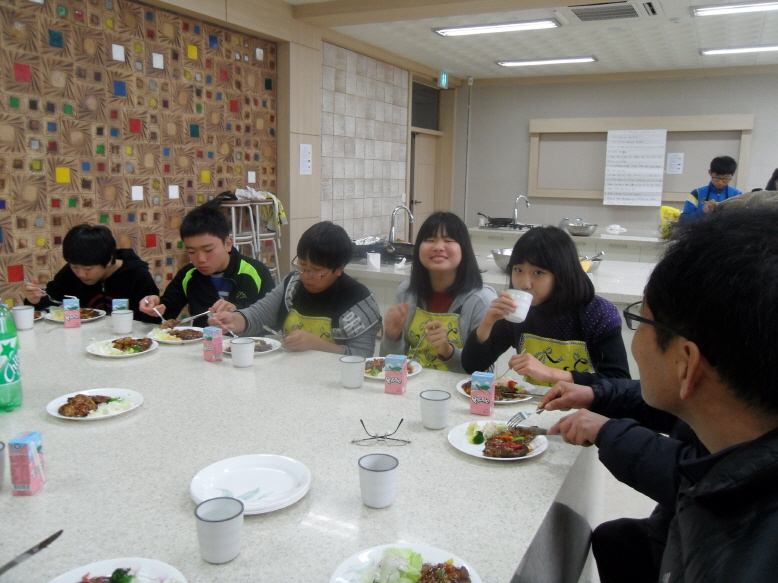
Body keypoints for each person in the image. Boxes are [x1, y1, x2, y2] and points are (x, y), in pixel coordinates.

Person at [548, 208, 778, 581]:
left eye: (641, 321)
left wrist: (608, 429)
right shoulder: (735, 414)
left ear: (686, 363)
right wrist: (596, 394)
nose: (636, 341)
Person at [461, 226, 630, 385]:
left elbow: (620, 381)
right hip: (535, 408)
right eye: (518, 270)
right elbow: (472, 366)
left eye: (538, 272)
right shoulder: (517, 309)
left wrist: (551, 373)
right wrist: (487, 324)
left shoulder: (597, 313)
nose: (524, 284)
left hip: (584, 412)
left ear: (562, 274)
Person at [209, 221, 381, 358]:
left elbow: (361, 357)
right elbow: (259, 315)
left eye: (316, 271)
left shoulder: (359, 301)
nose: (306, 275)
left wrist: (316, 344)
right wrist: (233, 320)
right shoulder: (293, 284)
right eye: (302, 265)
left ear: (339, 269)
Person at [379, 212, 496, 373]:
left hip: (459, 393)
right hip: (410, 387)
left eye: (448, 240)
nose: (438, 247)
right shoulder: (406, 292)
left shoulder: (482, 300)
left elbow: (484, 370)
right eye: (430, 240)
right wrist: (392, 337)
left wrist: (448, 351)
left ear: (464, 249)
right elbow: (390, 365)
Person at [140, 200, 274, 327]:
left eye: (208, 250)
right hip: (204, 346)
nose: (200, 259)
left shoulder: (256, 271)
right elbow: (165, 315)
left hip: (247, 347)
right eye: (191, 251)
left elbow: (272, 317)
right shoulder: (188, 275)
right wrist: (153, 308)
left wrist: (238, 311)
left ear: (227, 244)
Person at [22, 224, 159, 322]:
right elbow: (51, 302)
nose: (81, 274)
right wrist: (35, 301)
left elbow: (151, 321)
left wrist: (152, 311)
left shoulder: (137, 275)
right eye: (75, 266)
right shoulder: (69, 273)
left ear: (108, 260)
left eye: (88, 269)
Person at [679, 155, 741, 221]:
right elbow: (683, 220)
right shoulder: (697, 193)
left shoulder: (738, 195)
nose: (720, 182)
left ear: (733, 174)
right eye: (717, 177)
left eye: (726, 178)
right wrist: (703, 212)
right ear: (710, 172)